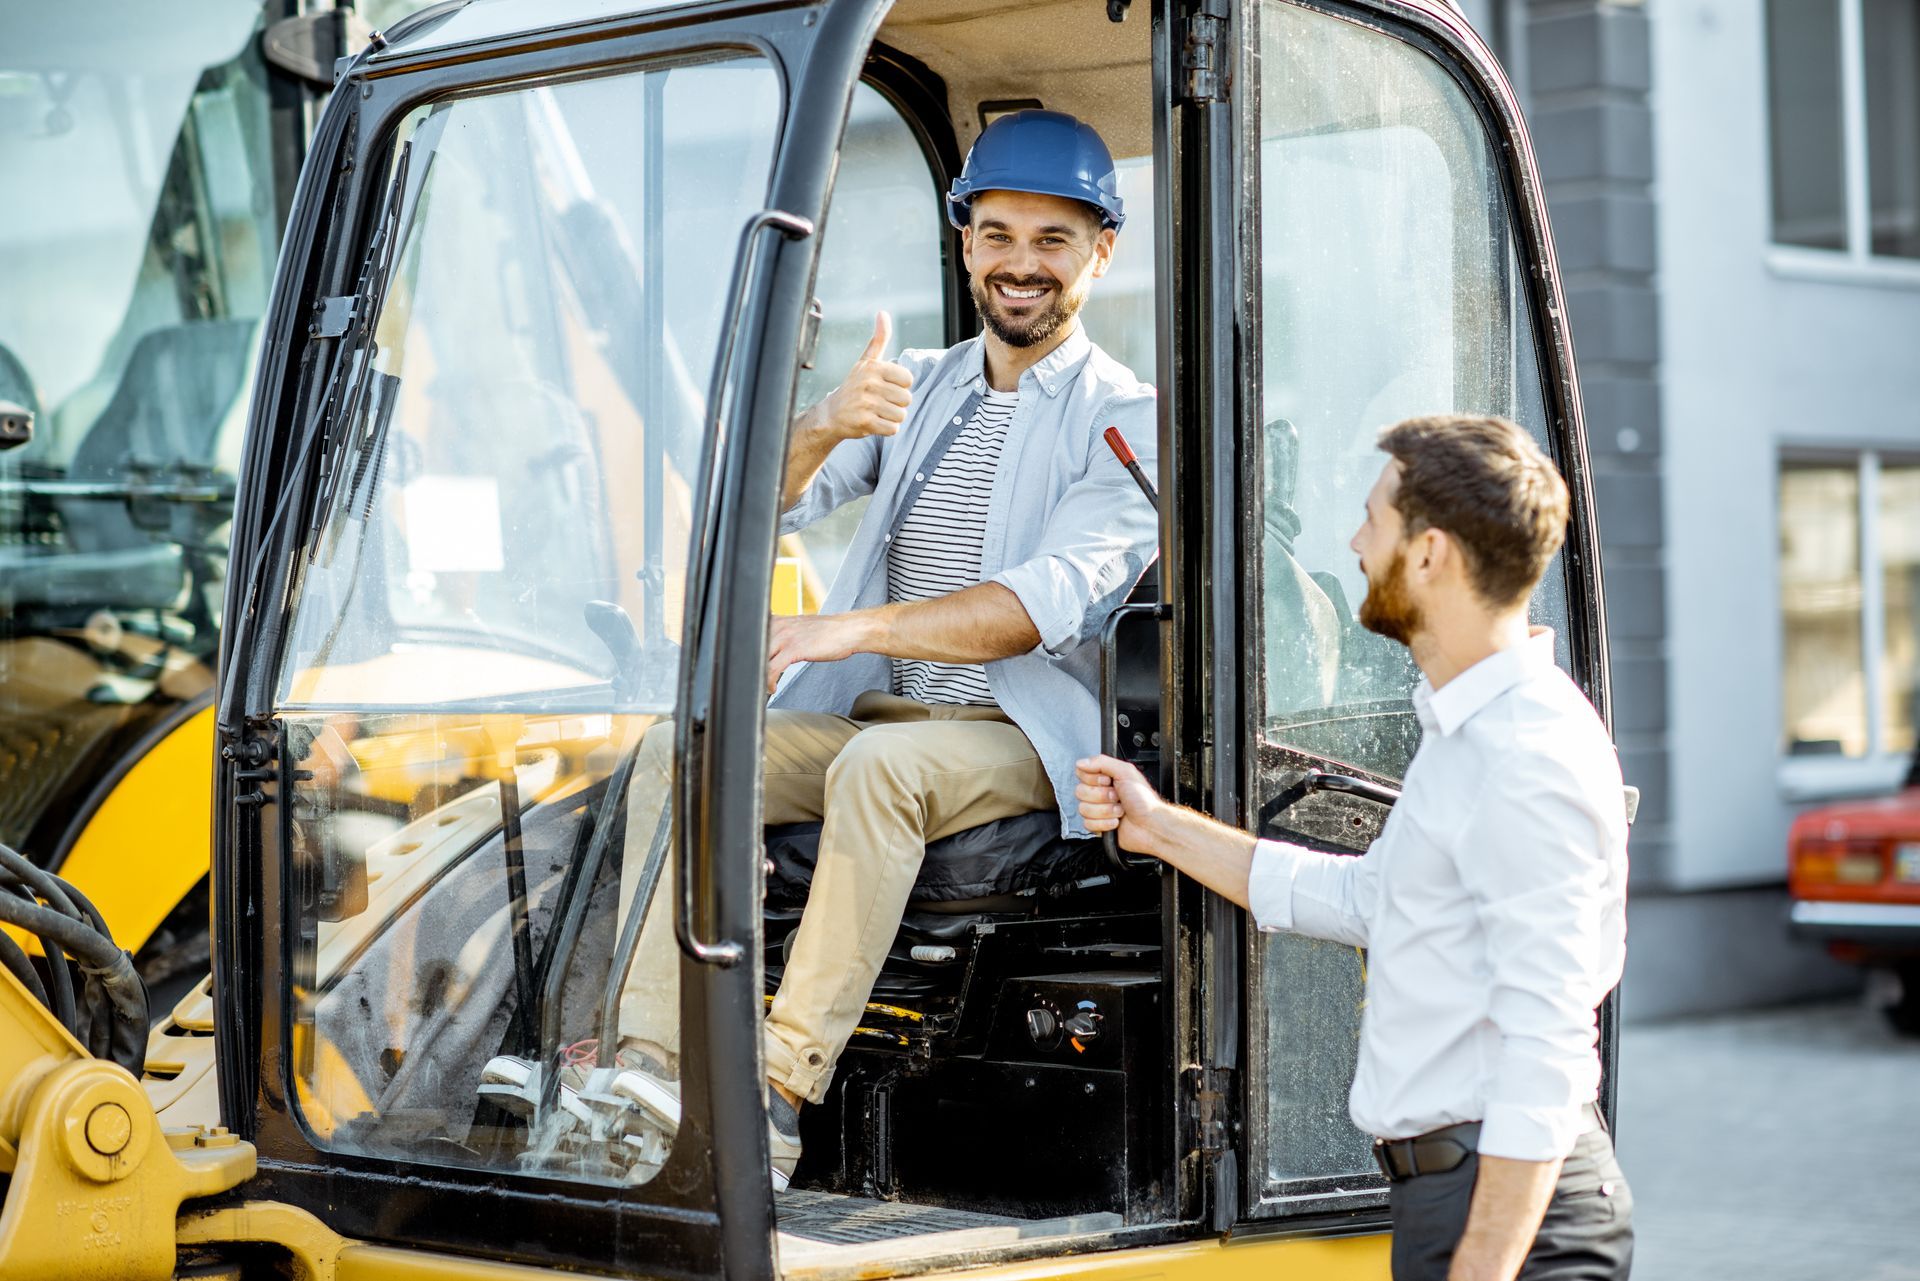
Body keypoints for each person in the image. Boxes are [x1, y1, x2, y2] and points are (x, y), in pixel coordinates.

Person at [487, 110, 1157, 1187]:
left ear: (1100, 251)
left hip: (1019, 735)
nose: (1020, 265)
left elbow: (1040, 606)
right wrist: (829, 422)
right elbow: (757, 509)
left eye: (1051, 240)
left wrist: (847, 629)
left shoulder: (1127, 416)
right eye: (998, 236)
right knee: (687, 750)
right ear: (966, 242)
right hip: (885, 713)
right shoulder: (921, 390)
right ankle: (654, 1068)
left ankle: (777, 1091)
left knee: (878, 767)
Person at [1077, 415, 1632, 1281]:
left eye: (1374, 518)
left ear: (1429, 554)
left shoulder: (1525, 757)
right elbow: (1368, 900)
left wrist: (1481, 1268)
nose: (1354, 542)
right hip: (1455, 1201)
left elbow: (1549, 1049)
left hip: (1513, 1224)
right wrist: (1157, 826)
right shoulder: (1468, 737)